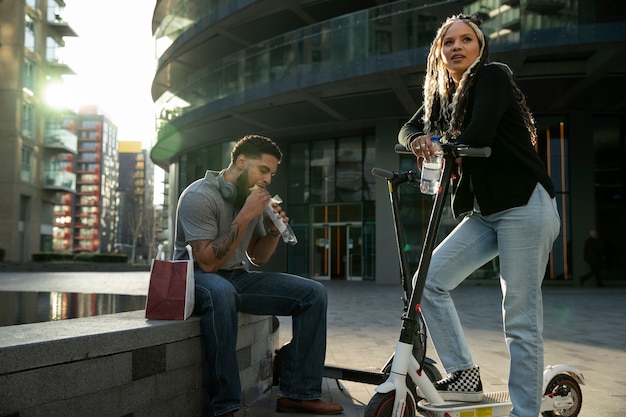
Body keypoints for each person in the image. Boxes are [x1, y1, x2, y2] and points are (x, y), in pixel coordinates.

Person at [398, 14, 561, 417]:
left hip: (524, 204)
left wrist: (437, 142)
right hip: (486, 212)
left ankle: (524, 413)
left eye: (465, 40)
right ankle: (463, 372)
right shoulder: (441, 93)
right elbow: (407, 130)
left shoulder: (491, 77)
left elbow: (479, 134)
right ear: (439, 51)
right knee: (428, 282)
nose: (456, 47)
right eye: (448, 42)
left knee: (519, 318)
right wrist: (420, 138)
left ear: (480, 47)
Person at [174, 134, 343, 417]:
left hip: (237, 277)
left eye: (272, 173)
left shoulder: (249, 198)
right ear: (241, 161)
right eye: (263, 170)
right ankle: (224, 406)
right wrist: (246, 216)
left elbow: (257, 256)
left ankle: (298, 393)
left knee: (313, 294)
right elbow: (207, 263)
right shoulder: (199, 196)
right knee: (221, 291)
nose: (267, 179)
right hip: (195, 279)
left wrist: (274, 230)